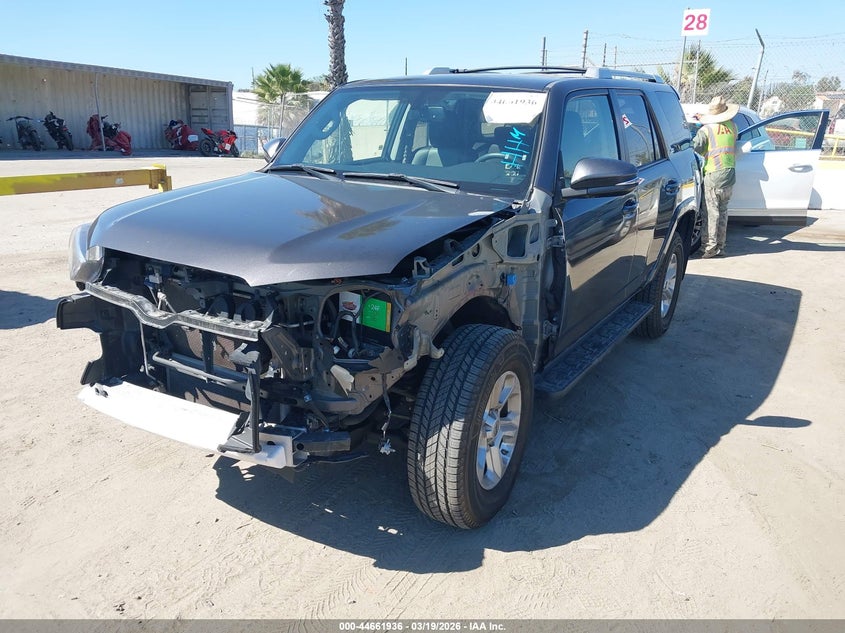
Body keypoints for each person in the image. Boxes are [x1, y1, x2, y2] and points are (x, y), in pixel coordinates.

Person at [694, 95, 740, 258]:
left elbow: (696, 148)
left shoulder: (706, 130)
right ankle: (720, 245)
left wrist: (698, 128)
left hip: (714, 174)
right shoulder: (733, 127)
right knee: (723, 211)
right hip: (730, 174)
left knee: (711, 212)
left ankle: (709, 247)